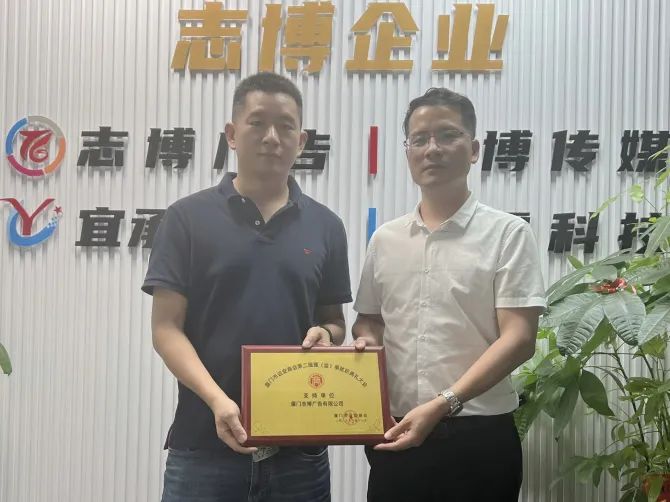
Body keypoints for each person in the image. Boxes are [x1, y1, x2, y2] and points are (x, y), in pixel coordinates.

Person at [142, 72, 352, 502]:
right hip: (204, 449)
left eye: (285, 126)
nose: (272, 137)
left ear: (302, 141)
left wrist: (327, 335)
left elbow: (334, 321)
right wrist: (218, 402)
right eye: (257, 122)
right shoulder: (186, 218)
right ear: (232, 134)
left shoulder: (327, 226)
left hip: (300, 455)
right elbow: (166, 328)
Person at [352, 88, 546, 502]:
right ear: (407, 152)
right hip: (396, 430)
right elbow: (369, 319)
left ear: (474, 150)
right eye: (419, 139)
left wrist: (444, 402)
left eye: (447, 135)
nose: (432, 149)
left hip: (479, 438)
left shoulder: (508, 234)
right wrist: (366, 344)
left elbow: (520, 338)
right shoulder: (384, 239)